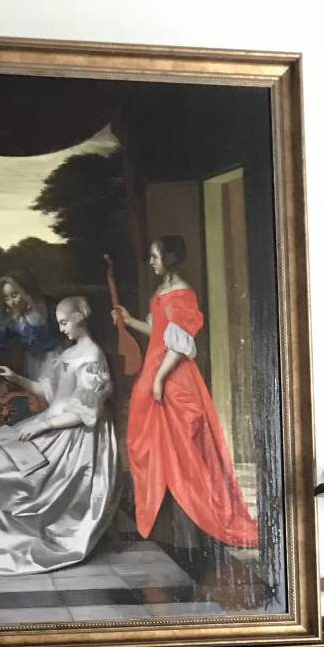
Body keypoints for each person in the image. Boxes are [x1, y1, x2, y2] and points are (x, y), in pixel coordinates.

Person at [0, 296, 117, 575]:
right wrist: (15, 377)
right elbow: (49, 393)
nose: (62, 329)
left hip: (71, 438)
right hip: (50, 424)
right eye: (59, 323)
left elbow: (86, 412)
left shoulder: (92, 357)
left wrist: (42, 427)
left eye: (65, 322)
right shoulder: (69, 353)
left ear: (80, 317)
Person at [112, 236, 257, 551]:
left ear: (170, 258)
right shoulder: (162, 291)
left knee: (182, 450)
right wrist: (130, 320)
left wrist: (159, 379)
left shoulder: (182, 294)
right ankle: (164, 527)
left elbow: (179, 345)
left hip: (173, 376)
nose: (151, 262)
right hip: (155, 372)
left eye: (155, 256)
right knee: (149, 446)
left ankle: (192, 527)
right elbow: (160, 333)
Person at [0, 271, 63, 384]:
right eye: (6, 298)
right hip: (32, 362)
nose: (11, 302)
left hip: (58, 357)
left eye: (14, 295)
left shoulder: (50, 307)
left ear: (27, 292)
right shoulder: (9, 316)